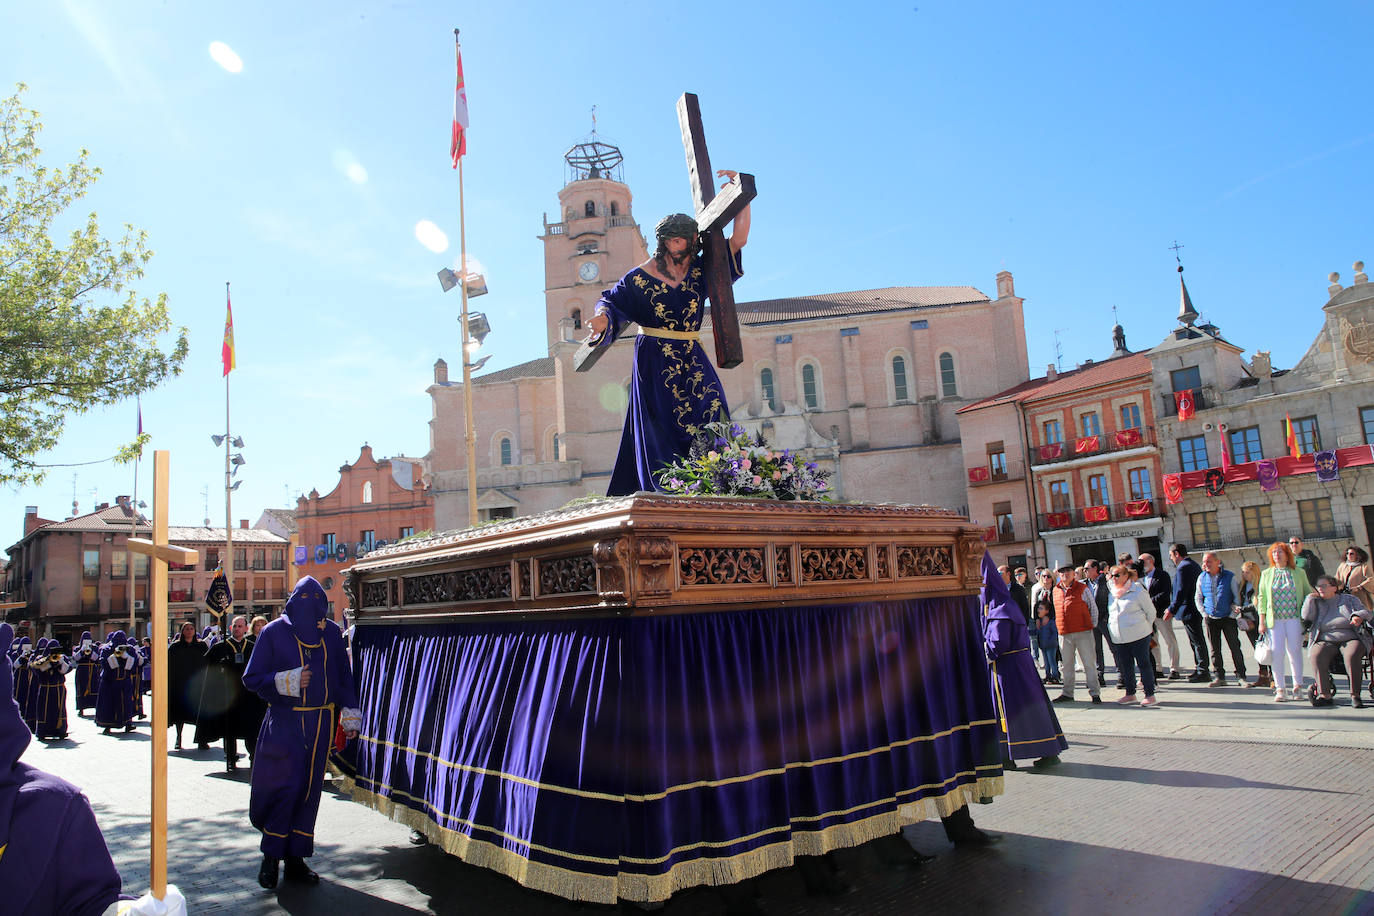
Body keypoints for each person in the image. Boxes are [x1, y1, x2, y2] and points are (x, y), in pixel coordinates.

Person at [584, 175, 751, 496]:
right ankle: (668, 491)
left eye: (685, 242)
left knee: (712, 408)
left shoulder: (701, 271)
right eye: (674, 242)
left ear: (693, 241)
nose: (680, 249)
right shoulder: (638, 278)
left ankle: (722, 480)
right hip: (654, 360)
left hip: (692, 354)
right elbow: (610, 301)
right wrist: (603, 318)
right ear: (663, 243)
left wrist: (741, 193)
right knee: (659, 423)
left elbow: (738, 240)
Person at [244, 576, 362, 889]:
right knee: (285, 787)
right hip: (286, 722)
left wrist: (349, 716)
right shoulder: (273, 632)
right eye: (305, 598)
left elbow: (343, 677)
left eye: (317, 598)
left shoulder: (333, 633)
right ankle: (270, 856)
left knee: (310, 792)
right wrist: (289, 680)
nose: (311, 605)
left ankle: (296, 858)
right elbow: (252, 677)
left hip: (322, 723)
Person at [0, 623, 125, 915]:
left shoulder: (53, 807)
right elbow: (34, 668)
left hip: (63, 690)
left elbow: (90, 901)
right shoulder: (39, 659)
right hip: (46, 691)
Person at [981, 553, 1067, 767]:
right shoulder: (1005, 607)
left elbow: (997, 643)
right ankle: (1047, 752)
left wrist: (982, 651)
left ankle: (1009, 756)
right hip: (1020, 667)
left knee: (1014, 712)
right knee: (1034, 710)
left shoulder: (1000, 611)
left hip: (1009, 670)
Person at [199, 615, 265, 773]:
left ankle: (253, 756)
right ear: (230, 628)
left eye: (240, 626)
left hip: (248, 695)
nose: (237, 629)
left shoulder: (252, 646)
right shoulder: (220, 647)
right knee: (230, 728)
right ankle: (230, 758)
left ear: (245, 628)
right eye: (235, 626)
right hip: (228, 693)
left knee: (251, 728)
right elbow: (206, 664)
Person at [1301, 576, 1371, 708]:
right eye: (1318, 586)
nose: (1320, 588)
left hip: (1351, 637)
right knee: (1317, 654)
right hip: (1326, 639)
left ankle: (1355, 695)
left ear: (1334, 588)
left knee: (1351, 655)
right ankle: (1324, 695)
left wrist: (1357, 616)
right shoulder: (1316, 602)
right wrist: (1309, 599)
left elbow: (1366, 612)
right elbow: (1306, 616)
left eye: (1324, 585)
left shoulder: (1349, 600)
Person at [1256, 541, 1312, 702]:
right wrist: (1262, 621)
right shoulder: (1267, 574)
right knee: (1276, 654)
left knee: (1295, 652)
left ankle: (1298, 686)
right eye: (1274, 552)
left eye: (1280, 552)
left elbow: (1307, 592)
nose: (1277, 555)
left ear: (1287, 555)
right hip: (1275, 620)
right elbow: (1262, 598)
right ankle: (1280, 688)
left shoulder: (1299, 572)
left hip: (1294, 618)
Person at [1106, 564, 1159, 706]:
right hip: (1119, 637)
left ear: (1125, 575)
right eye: (1112, 575)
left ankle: (1149, 694)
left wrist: (1145, 627)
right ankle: (1130, 693)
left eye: (1117, 575)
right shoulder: (1112, 591)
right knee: (1126, 665)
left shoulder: (1137, 590)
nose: (1114, 578)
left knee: (1143, 664)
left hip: (1139, 634)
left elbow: (1151, 612)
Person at [1050, 565, 1102, 704]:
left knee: (1089, 663)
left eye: (1068, 571)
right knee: (1067, 665)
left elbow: (1093, 608)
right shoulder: (1056, 590)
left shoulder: (1082, 588)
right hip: (1064, 632)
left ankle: (1095, 693)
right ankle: (1067, 693)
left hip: (1083, 631)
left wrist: (1092, 625)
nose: (1065, 574)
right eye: (1062, 572)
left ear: (1073, 573)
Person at [1195, 552, 1246, 687]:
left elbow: (1236, 597)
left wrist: (1232, 615)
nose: (1206, 564)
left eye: (1209, 561)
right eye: (1204, 562)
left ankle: (1241, 676)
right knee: (1215, 649)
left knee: (1234, 647)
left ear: (1218, 562)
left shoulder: (1229, 576)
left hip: (1227, 618)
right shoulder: (1202, 577)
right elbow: (1198, 597)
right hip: (1211, 618)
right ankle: (1219, 676)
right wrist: (1204, 613)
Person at [1166, 544, 1209, 682]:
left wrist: (1172, 609)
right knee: (1195, 641)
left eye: (1171, 555)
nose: (1171, 558)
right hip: (1192, 609)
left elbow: (1181, 591)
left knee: (1197, 641)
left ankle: (1203, 671)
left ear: (1177, 554)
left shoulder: (1184, 567)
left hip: (1189, 609)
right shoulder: (1191, 564)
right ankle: (1200, 668)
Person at [167, 621, 204, 751]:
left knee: (200, 713)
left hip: (197, 685)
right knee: (180, 713)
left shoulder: (201, 646)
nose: (189, 631)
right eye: (186, 629)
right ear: (182, 631)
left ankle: (202, 740)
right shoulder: (175, 647)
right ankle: (178, 738)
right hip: (180, 684)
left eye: (191, 628)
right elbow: (169, 665)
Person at [1140, 553, 1177, 679]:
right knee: (1153, 642)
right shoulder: (1141, 578)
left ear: (1150, 561)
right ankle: (1158, 668)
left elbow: (1165, 593)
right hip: (1148, 616)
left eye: (1142, 561)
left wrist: (1148, 602)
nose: (1141, 564)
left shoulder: (1162, 575)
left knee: (1170, 640)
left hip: (1161, 613)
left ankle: (1174, 668)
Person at [94, 631, 138, 734]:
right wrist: (114, 656)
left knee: (125, 703)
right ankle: (107, 725)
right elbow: (104, 663)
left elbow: (135, 663)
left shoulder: (129, 649)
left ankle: (127, 723)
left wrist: (126, 657)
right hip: (109, 682)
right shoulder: (107, 649)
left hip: (124, 681)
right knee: (108, 703)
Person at [1237, 561, 1272, 688]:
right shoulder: (1243, 585)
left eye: (1247, 572)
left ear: (1254, 572)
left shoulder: (1260, 584)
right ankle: (1263, 676)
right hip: (1248, 621)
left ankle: (1272, 676)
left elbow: (1257, 604)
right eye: (1243, 572)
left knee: (1267, 649)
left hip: (1259, 620)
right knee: (1258, 649)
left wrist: (1242, 609)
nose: (1245, 575)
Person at [29, 638, 71, 740]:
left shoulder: (62, 658)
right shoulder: (41, 658)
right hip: (45, 688)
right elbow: (34, 668)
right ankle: (43, 731)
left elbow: (67, 669)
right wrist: (48, 663)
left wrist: (60, 663)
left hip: (58, 688)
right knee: (45, 710)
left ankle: (60, 730)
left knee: (59, 709)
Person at [1081, 560, 1115, 685]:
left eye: (1087, 568)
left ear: (1095, 568)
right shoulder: (1084, 584)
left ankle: (1122, 674)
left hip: (1105, 620)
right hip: (1091, 621)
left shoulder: (1106, 582)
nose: (1085, 571)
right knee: (1096, 649)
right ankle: (1099, 675)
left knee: (1114, 647)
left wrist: (1106, 617)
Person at [1335, 546, 1374, 610]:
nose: (1349, 555)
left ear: (1358, 555)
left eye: (1351, 554)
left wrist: (1359, 587)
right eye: (1347, 553)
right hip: (1345, 596)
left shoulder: (1364, 566)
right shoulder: (1342, 566)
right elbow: (1337, 578)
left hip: (1360, 596)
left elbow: (1370, 579)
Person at [72, 630, 100, 715]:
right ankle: (81, 708)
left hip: (92, 669)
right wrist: (82, 650)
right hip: (82, 670)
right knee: (81, 687)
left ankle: (95, 706)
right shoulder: (77, 648)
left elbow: (96, 658)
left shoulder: (94, 647)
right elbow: (75, 658)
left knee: (94, 687)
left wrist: (90, 652)